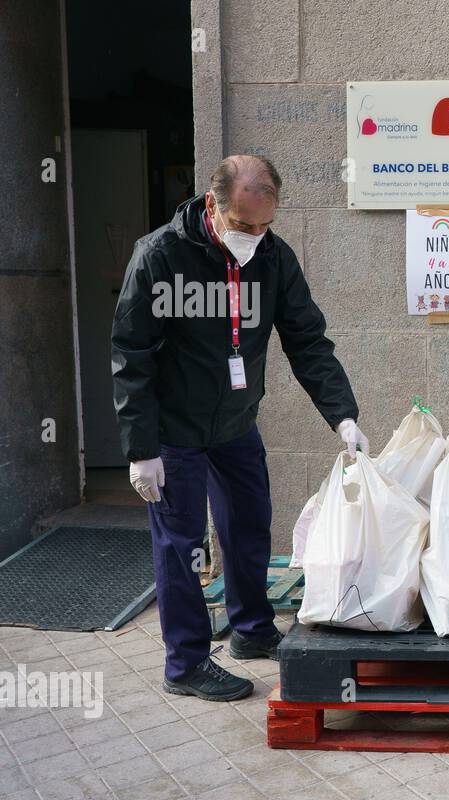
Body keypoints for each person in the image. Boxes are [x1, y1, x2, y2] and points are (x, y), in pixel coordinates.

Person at [112, 155, 369, 702]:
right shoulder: (159, 256)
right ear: (213, 206)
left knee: (250, 525)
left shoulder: (273, 259)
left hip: (234, 423)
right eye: (244, 224)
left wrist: (343, 416)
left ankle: (252, 631)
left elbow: (307, 341)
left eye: (264, 225)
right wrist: (141, 448)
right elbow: (131, 353)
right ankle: (185, 663)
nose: (255, 236)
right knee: (182, 546)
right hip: (174, 431)